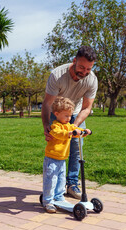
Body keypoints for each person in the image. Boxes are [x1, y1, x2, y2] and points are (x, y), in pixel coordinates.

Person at [41, 45, 98, 200]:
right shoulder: (57, 75)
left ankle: (72, 184)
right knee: (56, 145)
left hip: (76, 112)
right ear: (74, 61)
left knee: (77, 148)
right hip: (57, 112)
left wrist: (74, 126)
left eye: (88, 69)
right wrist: (46, 125)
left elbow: (87, 107)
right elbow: (47, 103)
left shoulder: (91, 80)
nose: (84, 72)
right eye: (81, 67)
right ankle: (52, 182)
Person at [42, 96, 91, 213]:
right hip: (52, 159)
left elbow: (75, 130)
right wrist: (70, 132)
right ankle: (48, 201)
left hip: (62, 158)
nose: (69, 118)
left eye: (70, 115)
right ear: (57, 114)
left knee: (61, 180)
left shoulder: (69, 125)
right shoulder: (55, 126)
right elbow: (58, 133)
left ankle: (59, 198)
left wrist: (84, 132)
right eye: (67, 116)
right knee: (51, 180)